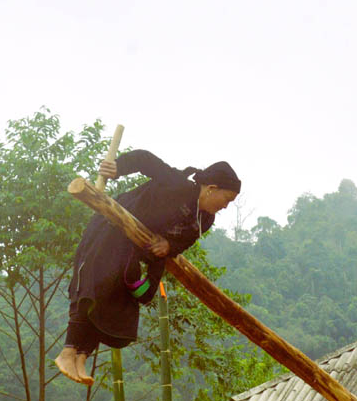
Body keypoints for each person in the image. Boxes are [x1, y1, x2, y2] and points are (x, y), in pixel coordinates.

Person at [56, 149, 241, 384]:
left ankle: (81, 358)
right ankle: (68, 352)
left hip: (130, 250)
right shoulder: (178, 185)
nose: (226, 206)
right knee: (94, 288)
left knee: (113, 301)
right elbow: (145, 160)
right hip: (109, 229)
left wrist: (168, 245)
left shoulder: (205, 219)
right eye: (227, 200)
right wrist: (118, 167)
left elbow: (183, 242)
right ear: (211, 188)